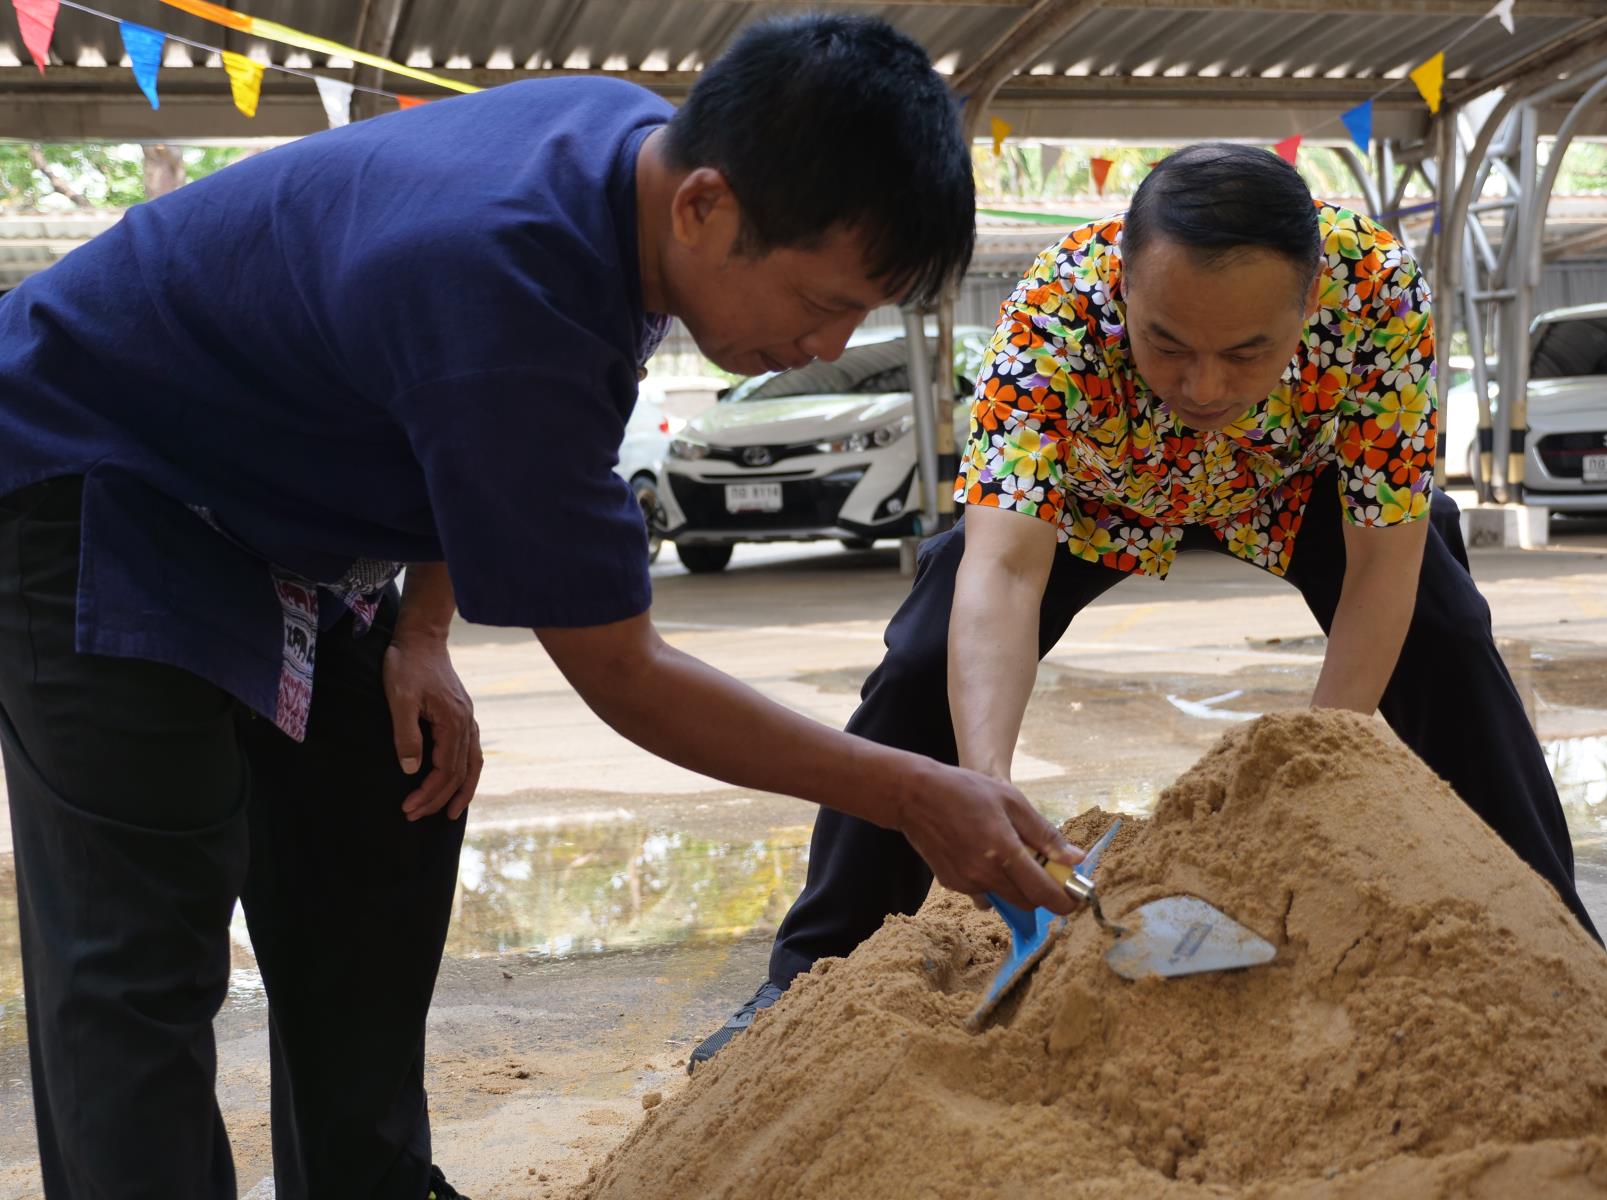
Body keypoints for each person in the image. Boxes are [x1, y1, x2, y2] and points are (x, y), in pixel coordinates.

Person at [0, 16, 1084, 1198]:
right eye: (822, 303)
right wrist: (913, 793)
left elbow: (452, 418)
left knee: (388, 805)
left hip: (292, 505)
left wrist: (422, 631)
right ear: (705, 207)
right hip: (95, 476)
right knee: (137, 951)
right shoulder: (508, 283)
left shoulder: (629, 155)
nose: (824, 346)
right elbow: (623, 672)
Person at [691, 143, 1601, 1071]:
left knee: (1446, 636)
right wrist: (986, 785)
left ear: (1310, 300)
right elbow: (1003, 570)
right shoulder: (1053, 307)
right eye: (1166, 344)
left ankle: (1562, 951)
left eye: (1246, 352)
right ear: (1123, 285)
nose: (1203, 388)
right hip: (1101, 491)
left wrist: (1304, 775)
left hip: (1293, 483)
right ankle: (807, 974)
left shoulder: (1381, 290)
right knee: (926, 660)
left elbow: (1380, 564)